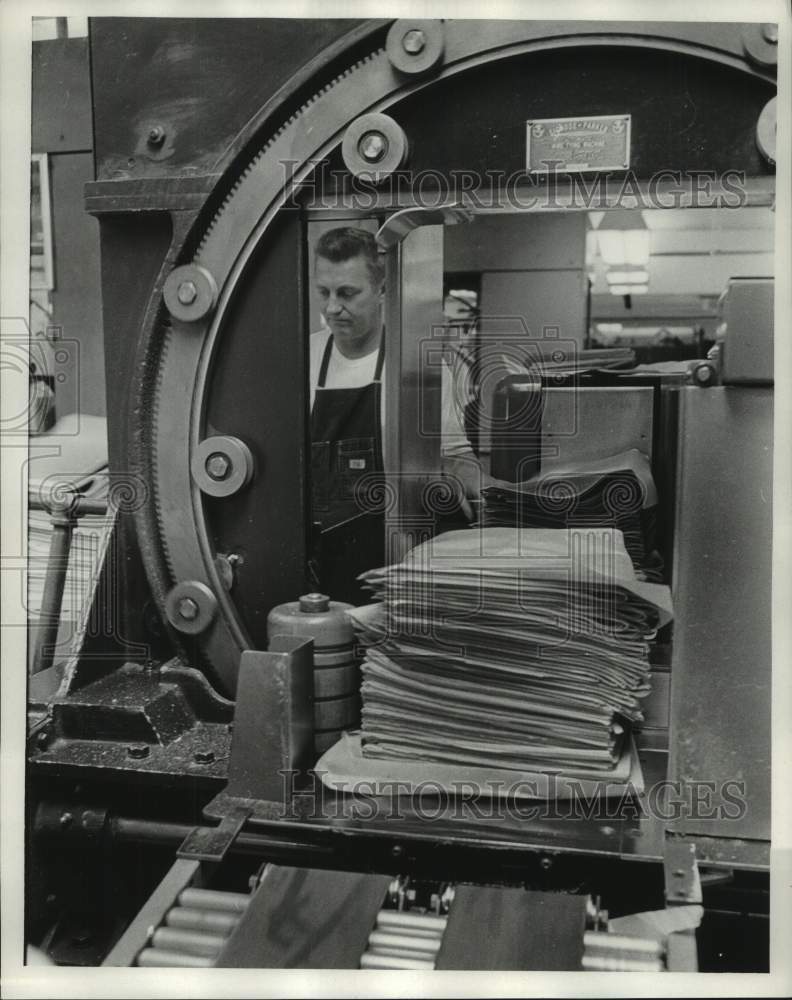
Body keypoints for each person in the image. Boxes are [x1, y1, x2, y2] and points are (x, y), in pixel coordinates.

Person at [308, 227, 484, 599]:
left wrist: (457, 480)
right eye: (324, 292)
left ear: (383, 290)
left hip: (395, 556)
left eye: (347, 293)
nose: (331, 308)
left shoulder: (419, 365)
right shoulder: (299, 360)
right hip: (313, 564)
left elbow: (458, 459)